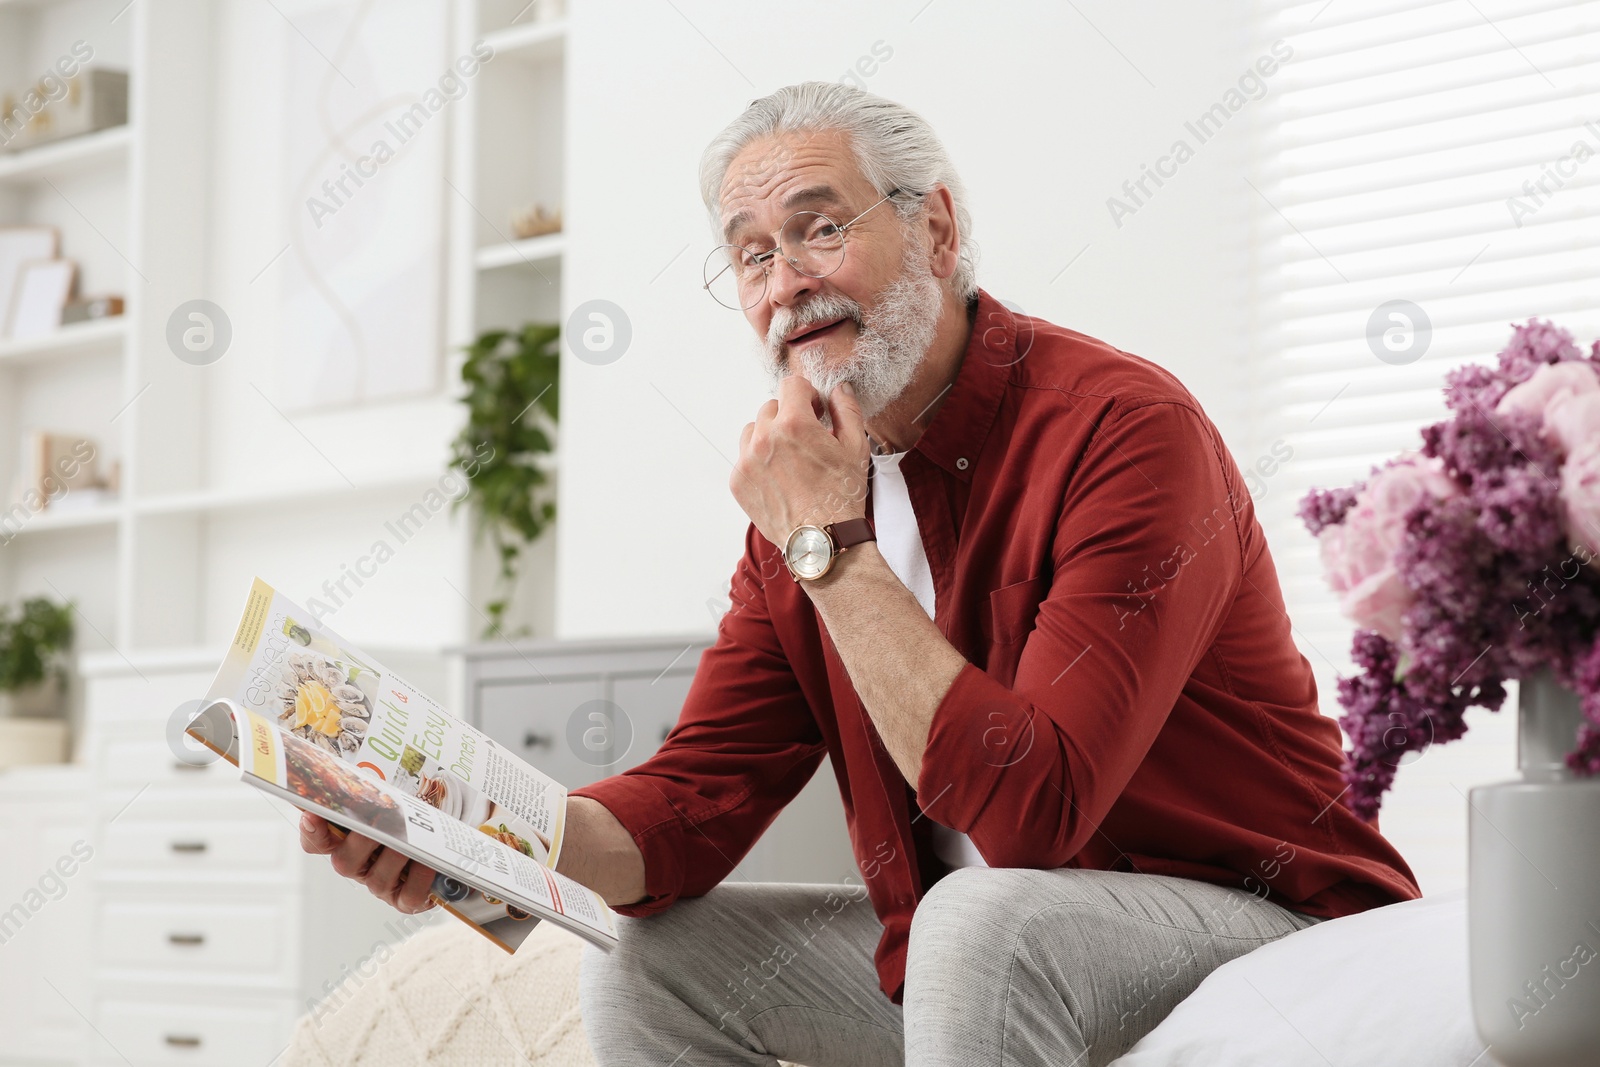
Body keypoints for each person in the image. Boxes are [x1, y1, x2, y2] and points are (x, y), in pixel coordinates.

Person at [302, 82, 1420, 1066]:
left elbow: (1036, 815)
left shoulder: (1124, 430)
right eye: (750, 254)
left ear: (935, 229)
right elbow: (693, 803)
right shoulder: (803, 502)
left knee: (977, 921)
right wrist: (474, 830)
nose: (785, 283)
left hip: (1253, 921)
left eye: (819, 226)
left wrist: (830, 547)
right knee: (651, 958)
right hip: (979, 950)